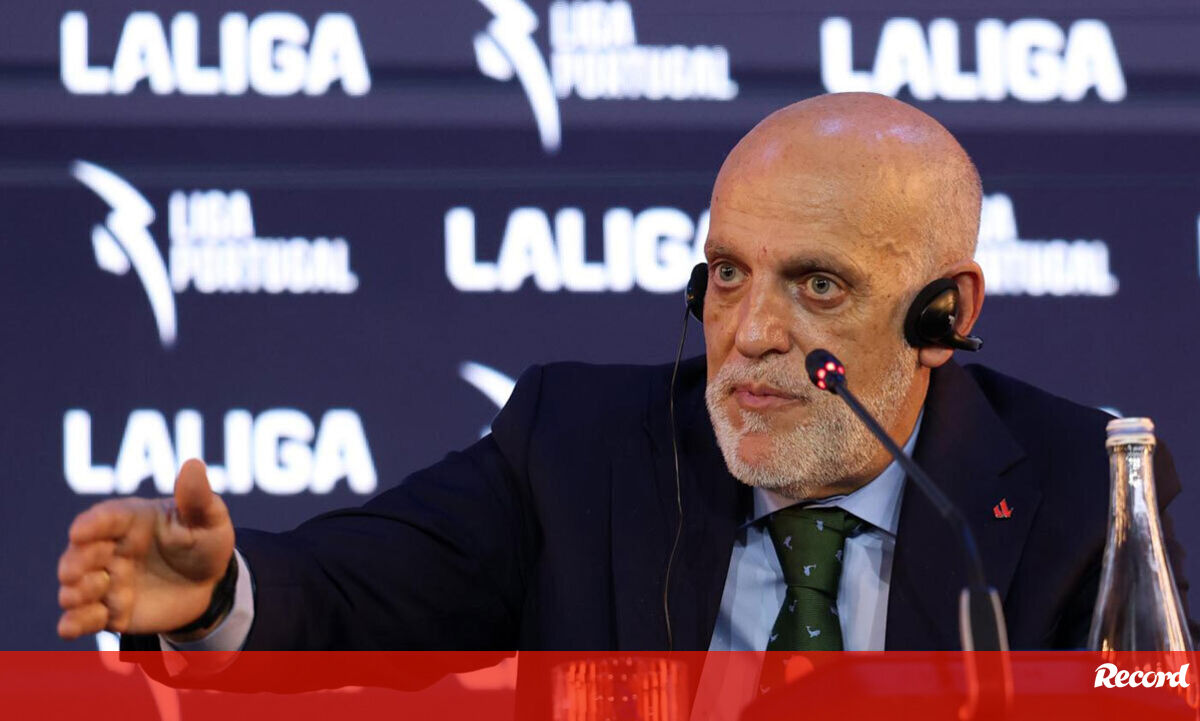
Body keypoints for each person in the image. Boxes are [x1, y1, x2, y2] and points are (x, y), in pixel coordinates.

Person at [56, 93, 1191, 668]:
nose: (752, 333)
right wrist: (215, 593)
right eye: (728, 274)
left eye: (819, 286)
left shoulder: (1078, 493)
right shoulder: (580, 443)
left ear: (947, 314)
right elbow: (355, 590)